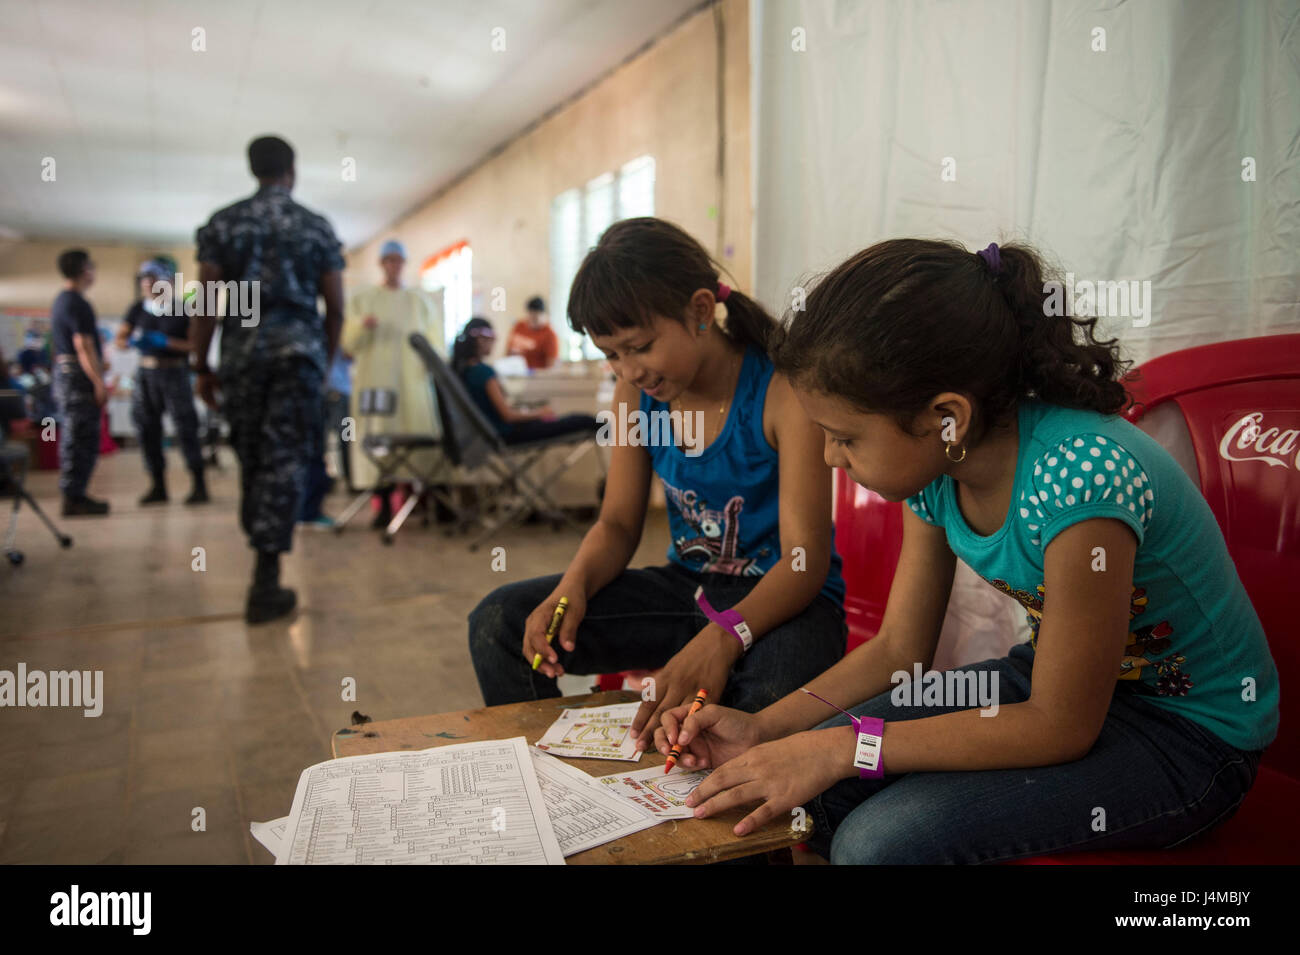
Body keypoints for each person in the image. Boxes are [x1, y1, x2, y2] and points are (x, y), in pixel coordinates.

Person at [650, 239, 1280, 864]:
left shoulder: (1081, 481)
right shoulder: (938, 476)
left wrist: (846, 746)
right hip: (1051, 682)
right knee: (809, 798)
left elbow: (1060, 724)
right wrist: (766, 729)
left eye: (845, 438)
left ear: (945, 416)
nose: (828, 459)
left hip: (1187, 736)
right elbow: (899, 649)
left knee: (876, 842)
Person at [468, 217, 847, 747]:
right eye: (611, 355)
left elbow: (803, 562)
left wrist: (723, 638)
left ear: (698, 310)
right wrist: (571, 587)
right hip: (688, 591)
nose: (629, 370)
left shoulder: (781, 389)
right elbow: (619, 522)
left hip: (784, 605)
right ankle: (546, 787)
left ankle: (729, 820)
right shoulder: (635, 396)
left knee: (760, 708)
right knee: (501, 625)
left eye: (640, 346)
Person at [191, 135, 345, 624]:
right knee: (286, 459)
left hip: (243, 358)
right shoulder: (315, 227)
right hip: (297, 357)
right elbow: (336, 306)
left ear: (253, 169)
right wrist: (321, 362)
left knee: (253, 455)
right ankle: (266, 576)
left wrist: (201, 365)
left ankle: (263, 568)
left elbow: (210, 303)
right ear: (291, 170)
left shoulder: (226, 223)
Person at [341, 239, 446, 528]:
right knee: (377, 440)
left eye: (397, 261)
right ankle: (383, 504)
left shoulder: (420, 302)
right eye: (388, 260)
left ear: (403, 264)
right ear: (381, 264)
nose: (393, 266)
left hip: (412, 385)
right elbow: (347, 343)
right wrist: (362, 326)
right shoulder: (363, 300)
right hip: (375, 385)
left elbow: (437, 345)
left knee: (418, 439)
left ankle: (423, 501)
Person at [114, 258, 208, 505]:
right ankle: (158, 486)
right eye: (144, 280)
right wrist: (133, 341)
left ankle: (199, 484)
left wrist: (166, 343)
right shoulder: (137, 309)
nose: (147, 284)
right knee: (147, 429)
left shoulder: (182, 309)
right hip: (146, 376)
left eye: (153, 279)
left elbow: (194, 345)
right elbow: (120, 339)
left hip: (175, 373)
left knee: (186, 428)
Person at [453, 317, 598, 443]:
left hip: (494, 435)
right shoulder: (484, 372)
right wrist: (540, 412)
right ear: (480, 340)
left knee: (577, 420)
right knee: (583, 420)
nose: (494, 343)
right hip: (508, 434)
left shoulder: (464, 372)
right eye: (493, 339)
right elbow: (508, 416)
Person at [49, 249, 109, 516]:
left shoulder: (61, 301)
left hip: (66, 375)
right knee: (81, 439)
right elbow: (82, 345)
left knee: (76, 437)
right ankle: (74, 498)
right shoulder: (76, 303)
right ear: (84, 270)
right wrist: (98, 381)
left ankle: (75, 495)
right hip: (78, 379)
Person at [506, 295, 559, 370]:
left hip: (537, 377)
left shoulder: (549, 334)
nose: (533, 320)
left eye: (536, 316)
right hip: (517, 372)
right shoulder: (519, 326)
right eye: (531, 315)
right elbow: (508, 352)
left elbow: (552, 365)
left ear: (543, 314)